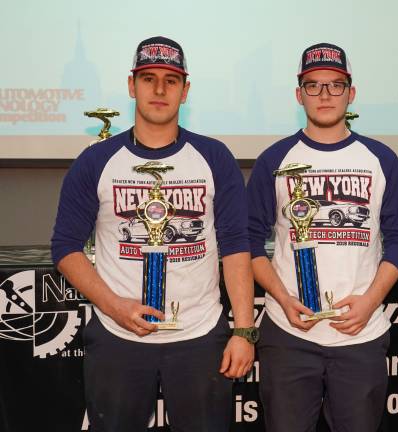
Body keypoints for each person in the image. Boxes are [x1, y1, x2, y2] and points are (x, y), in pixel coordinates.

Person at [51, 36, 257, 432]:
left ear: (186, 89)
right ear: (132, 86)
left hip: (199, 337)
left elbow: (235, 248)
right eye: (148, 78)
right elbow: (65, 247)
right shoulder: (96, 161)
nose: (159, 90)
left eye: (171, 80)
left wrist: (244, 330)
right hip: (118, 338)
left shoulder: (214, 158)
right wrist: (113, 306)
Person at [246, 42, 398, 432]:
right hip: (289, 335)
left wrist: (371, 301)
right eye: (313, 85)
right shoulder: (275, 159)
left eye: (335, 85)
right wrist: (283, 298)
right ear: (298, 93)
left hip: (360, 335)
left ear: (351, 93)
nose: (324, 95)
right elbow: (250, 241)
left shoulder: (380, 158)